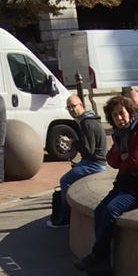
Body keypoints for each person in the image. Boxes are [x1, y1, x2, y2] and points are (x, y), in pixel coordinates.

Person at [74, 92, 138, 276]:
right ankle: (101, 259)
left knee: (111, 210)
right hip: (125, 183)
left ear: (130, 112)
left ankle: (99, 256)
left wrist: (123, 159)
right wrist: (123, 157)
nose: (119, 118)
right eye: (115, 115)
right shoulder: (121, 135)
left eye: (122, 113)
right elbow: (111, 159)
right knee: (100, 210)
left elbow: (136, 161)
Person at [49, 92, 106, 227]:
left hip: (95, 164)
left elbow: (89, 150)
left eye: (73, 106)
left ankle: (64, 219)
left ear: (81, 105)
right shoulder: (90, 119)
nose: (71, 110)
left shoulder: (86, 123)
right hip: (95, 161)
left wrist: (73, 143)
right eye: (68, 107)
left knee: (64, 181)